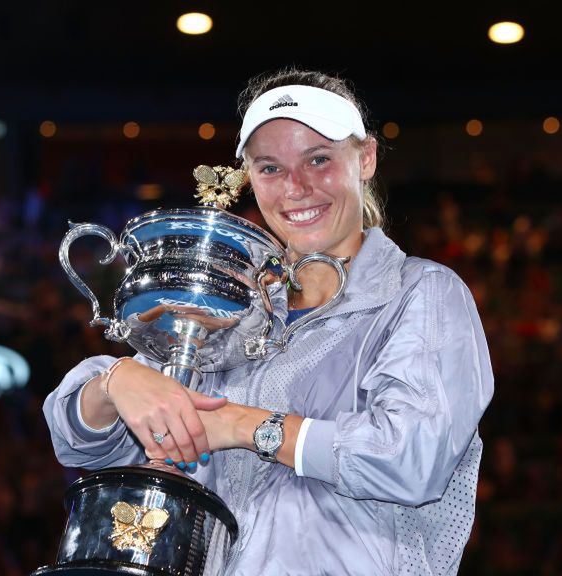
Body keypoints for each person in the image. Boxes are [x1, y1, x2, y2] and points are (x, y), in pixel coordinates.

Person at [44, 68, 494, 575]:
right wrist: (116, 383)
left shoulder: (421, 293)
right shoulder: (231, 307)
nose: (295, 189)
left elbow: (411, 459)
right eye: (270, 169)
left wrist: (240, 425)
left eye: (318, 160)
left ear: (365, 158)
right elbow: (76, 441)